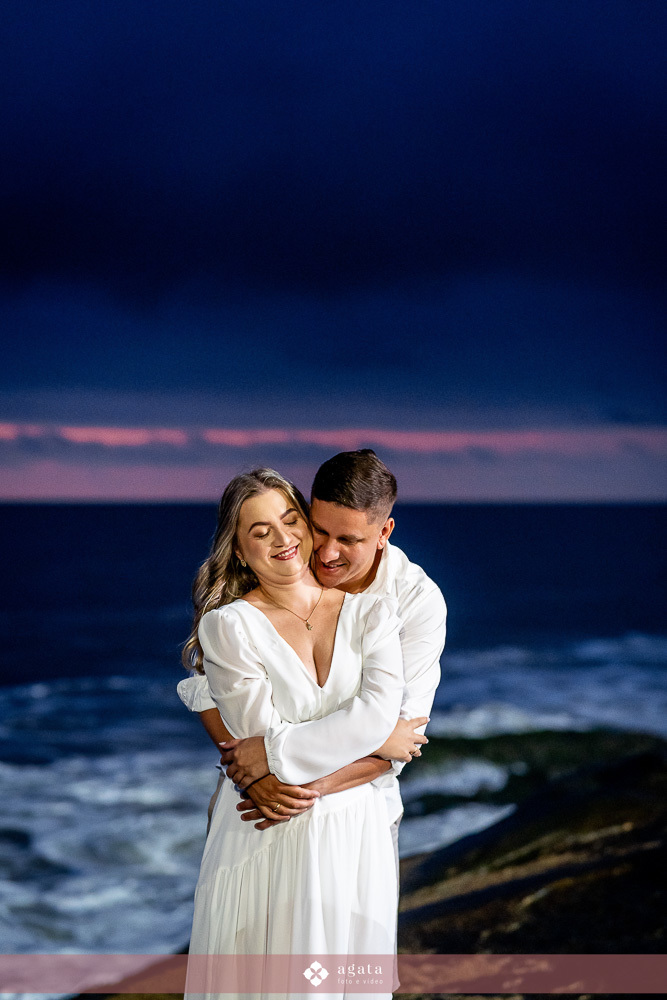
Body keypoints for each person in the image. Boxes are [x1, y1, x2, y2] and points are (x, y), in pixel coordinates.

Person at [182, 466, 427, 1000]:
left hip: (357, 834)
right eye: (260, 531)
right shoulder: (228, 625)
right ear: (239, 551)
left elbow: (377, 715)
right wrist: (377, 739)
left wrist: (277, 751)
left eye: (290, 520)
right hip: (270, 830)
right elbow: (256, 738)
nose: (283, 538)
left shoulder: (375, 611)